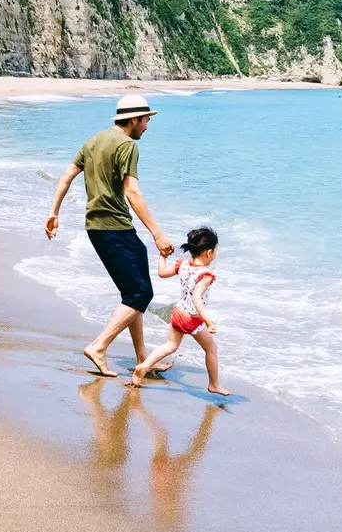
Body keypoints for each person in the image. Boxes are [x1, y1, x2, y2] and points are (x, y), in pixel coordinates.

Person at [45, 94, 175, 377]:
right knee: (141, 293)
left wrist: (54, 213)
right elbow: (132, 192)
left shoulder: (92, 141)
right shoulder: (127, 146)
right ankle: (99, 346)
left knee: (133, 291)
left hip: (99, 228)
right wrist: (158, 234)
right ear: (133, 120)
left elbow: (67, 176)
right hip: (114, 227)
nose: (147, 127)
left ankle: (143, 357)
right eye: (145, 121)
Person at [128, 226, 227, 396]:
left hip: (178, 312)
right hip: (192, 318)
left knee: (170, 345)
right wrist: (207, 320)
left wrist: (162, 256)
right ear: (208, 253)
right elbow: (197, 297)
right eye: (215, 251)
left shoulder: (183, 265)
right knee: (211, 349)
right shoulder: (205, 275)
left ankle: (143, 366)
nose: (215, 255)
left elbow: (161, 272)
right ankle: (214, 385)